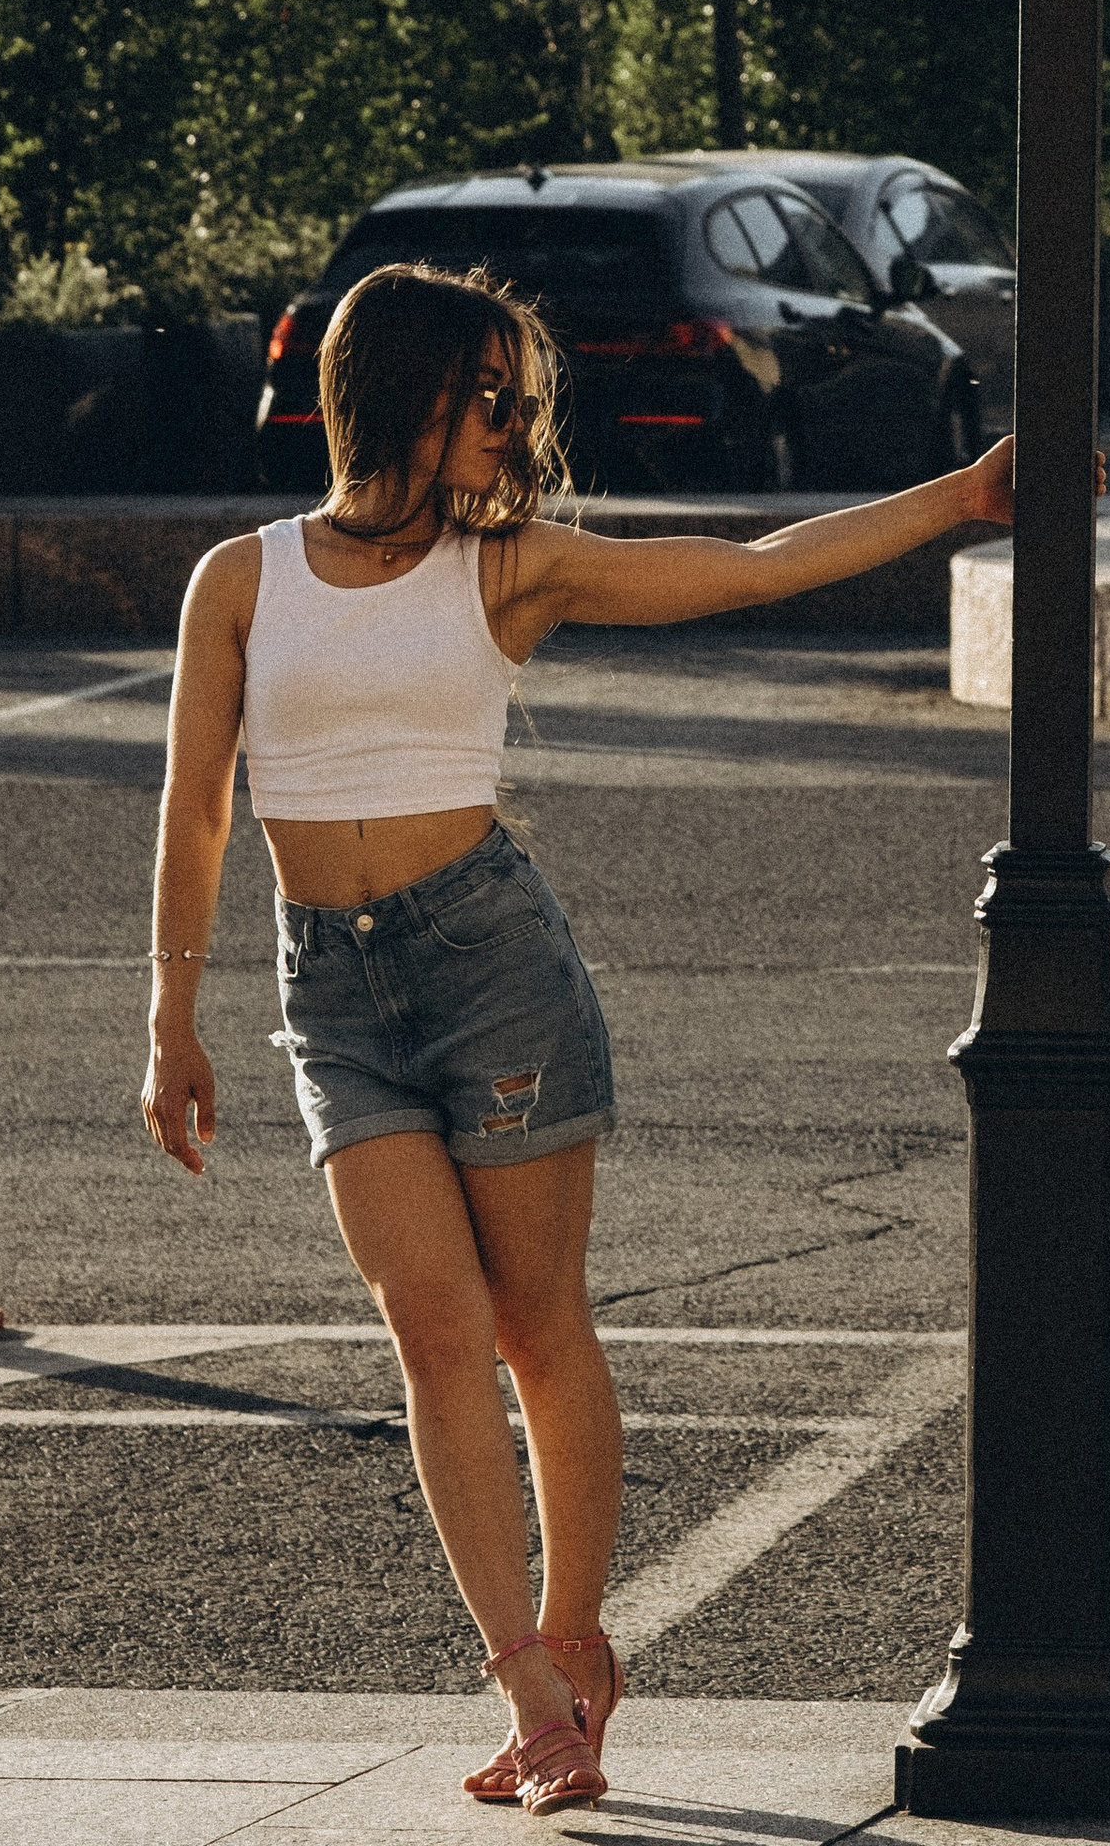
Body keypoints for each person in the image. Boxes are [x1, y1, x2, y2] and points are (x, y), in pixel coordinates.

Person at [140, 263, 1015, 1817]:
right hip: (326, 996)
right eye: (491, 397)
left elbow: (749, 566)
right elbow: (197, 802)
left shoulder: (512, 566)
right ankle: (529, 1682)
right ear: (404, 394)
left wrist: (953, 496)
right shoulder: (242, 579)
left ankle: (576, 1645)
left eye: (515, 401)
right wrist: (170, 1014)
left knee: (538, 1326)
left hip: (489, 965)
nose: (514, 425)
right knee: (431, 1334)